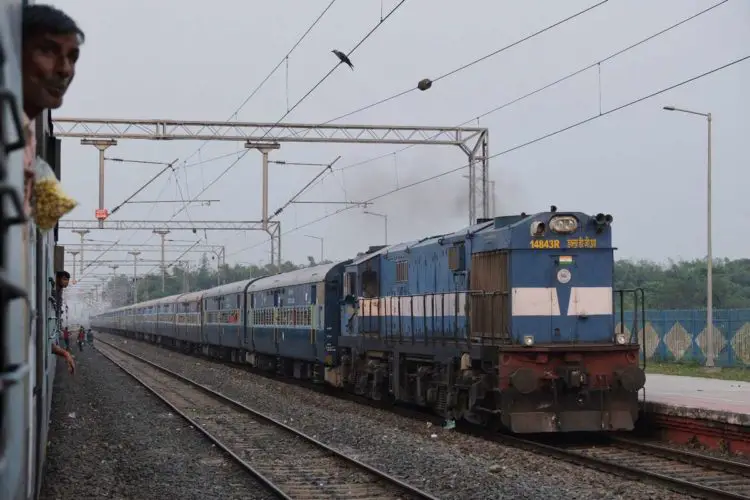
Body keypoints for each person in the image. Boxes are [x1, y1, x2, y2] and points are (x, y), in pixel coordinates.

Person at [22, 4, 84, 375]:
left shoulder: (34, 156)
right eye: (48, 51)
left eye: (72, 57)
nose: (64, 70)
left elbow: (39, 235)